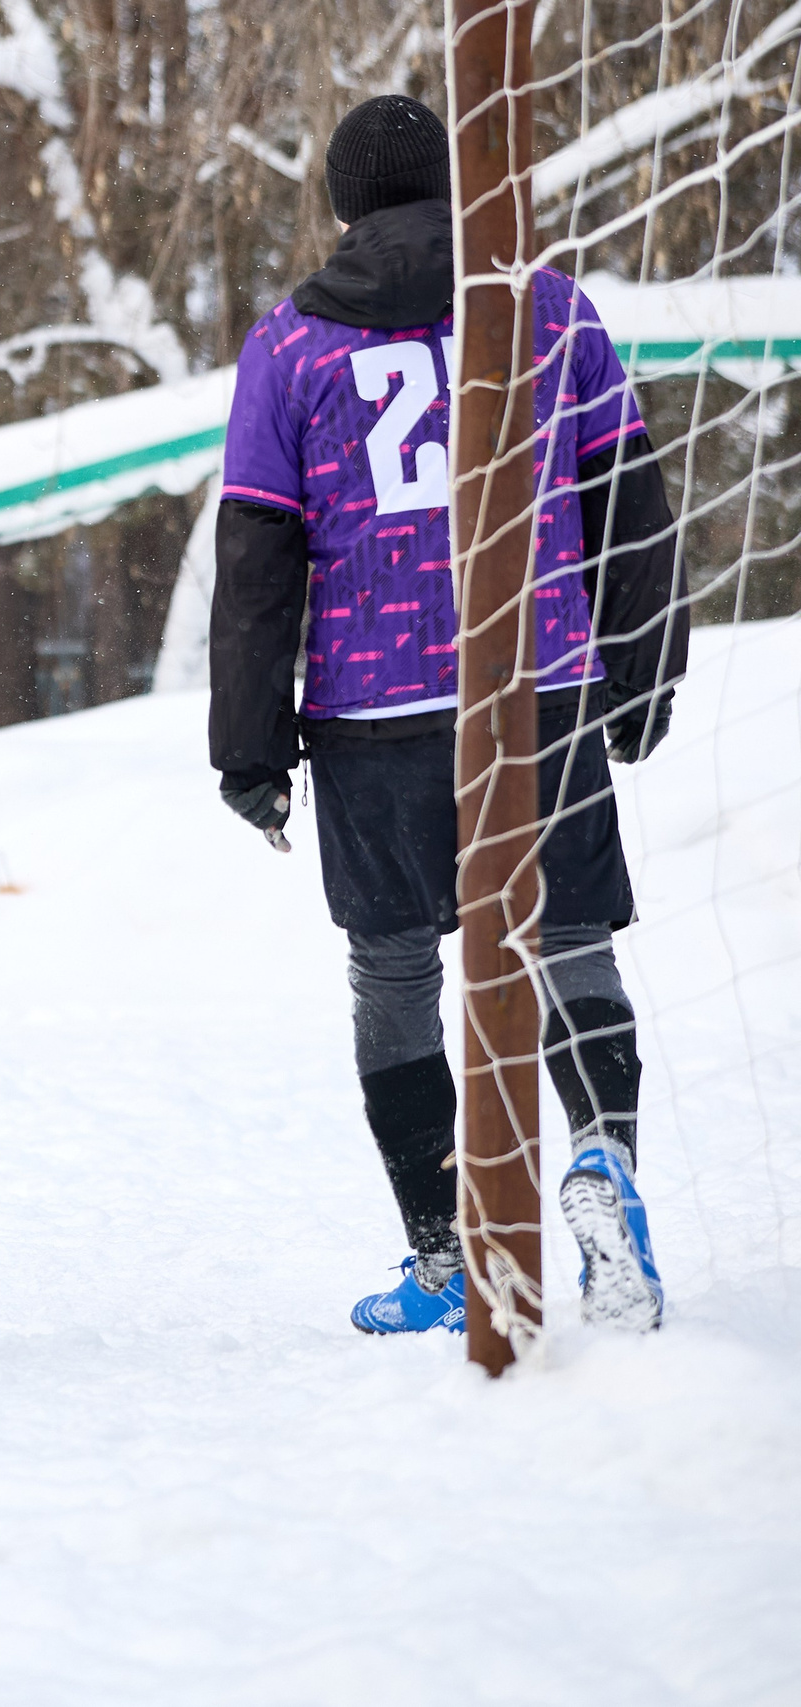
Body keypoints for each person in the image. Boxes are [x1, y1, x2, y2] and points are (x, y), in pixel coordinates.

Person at [210, 96, 686, 1337]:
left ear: (342, 206)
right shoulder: (549, 309)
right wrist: (645, 668)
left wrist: (248, 749)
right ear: (455, 189)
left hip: (373, 707)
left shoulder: (288, 345)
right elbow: (627, 497)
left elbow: (258, 557)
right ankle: (602, 1165)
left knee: (391, 971)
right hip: (537, 677)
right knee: (570, 939)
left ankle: (443, 1252)